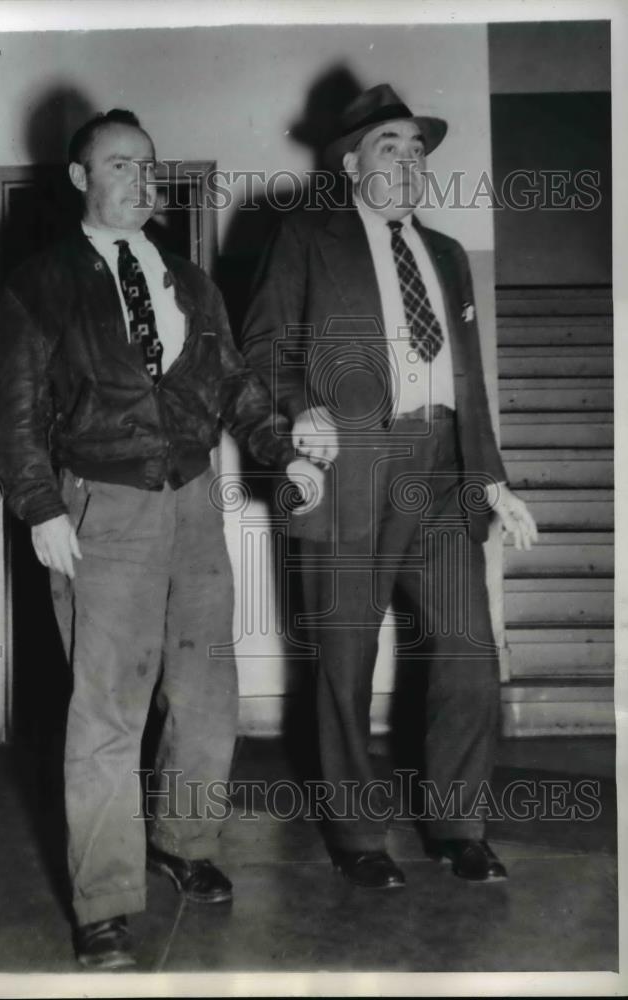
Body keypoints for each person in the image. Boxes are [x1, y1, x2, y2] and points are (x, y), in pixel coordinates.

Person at [0, 108, 312, 970]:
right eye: (119, 164)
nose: (140, 179)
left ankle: (183, 841)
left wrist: (283, 453)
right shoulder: (41, 282)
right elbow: (12, 415)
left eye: (148, 164)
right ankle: (102, 902)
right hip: (103, 508)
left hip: (195, 503)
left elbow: (235, 386)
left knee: (207, 695)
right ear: (79, 179)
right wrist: (41, 508)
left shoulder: (191, 281)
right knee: (108, 713)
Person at [242, 84, 538, 890]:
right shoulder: (306, 236)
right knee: (344, 657)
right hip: (351, 469)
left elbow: (468, 379)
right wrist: (300, 411)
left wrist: (494, 480)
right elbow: (262, 347)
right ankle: (356, 834)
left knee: (468, 650)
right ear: (349, 164)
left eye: (417, 150)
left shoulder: (443, 254)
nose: (408, 163)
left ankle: (457, 823)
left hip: (443, 468)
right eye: (389, 147)